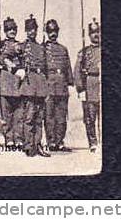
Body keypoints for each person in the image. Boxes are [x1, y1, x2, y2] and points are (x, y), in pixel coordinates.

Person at [18, 15, 50, 157]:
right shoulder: (22, 46)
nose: (32, 32)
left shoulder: (41, 47)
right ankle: (29, 146)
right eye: (29, 30)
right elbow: (3, 57)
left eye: (34, 29)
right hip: (29, 84)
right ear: (26, 31)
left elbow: (47, 68)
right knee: (29, 117)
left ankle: (38, 144)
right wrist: (17, 69)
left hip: (41, 84)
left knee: (39, 118)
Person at [0, 17, 24, 150]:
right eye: (9, 29)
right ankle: (9, 138)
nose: (12, 31)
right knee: (6, 113)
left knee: (19, 113)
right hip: (4, 81)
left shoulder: (21, 45)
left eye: (13, 29)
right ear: (5, 31)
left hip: (18, 82)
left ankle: (19, 138)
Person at [43, 19, 73, 152]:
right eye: (50, 31)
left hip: (62, 85)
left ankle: (60, 141)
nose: (52, 34)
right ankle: (51, 142)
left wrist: (70, 83)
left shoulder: (63, 49)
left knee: (61, 116)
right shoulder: (42, 48)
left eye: (55, 31)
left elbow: (68, 67)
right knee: (49, 115)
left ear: (58, 32)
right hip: (49, 84)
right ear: (47, 32)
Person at [75, 18, 101, 152]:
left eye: (98, 32)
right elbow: (77, 72)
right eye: (93, 33)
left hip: (101, 85)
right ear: (89, 35)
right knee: (90, 118)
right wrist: (80, 89)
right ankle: (93, 143)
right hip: (89, 85)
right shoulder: (84, 52)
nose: (96, 35)